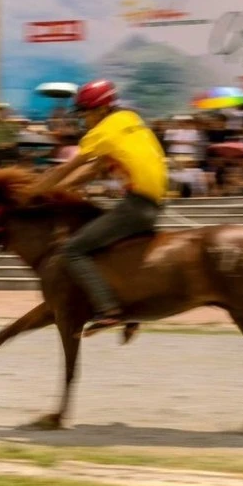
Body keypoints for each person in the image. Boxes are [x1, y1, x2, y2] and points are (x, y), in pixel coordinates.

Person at [29, 79, 167, 334]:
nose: (84, 119)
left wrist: (31, 193)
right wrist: (60, 191)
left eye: (86, 113)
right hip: (153, 204)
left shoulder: (103, 132)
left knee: (72, 250)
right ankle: (131, 310)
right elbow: (94, 169)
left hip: (137, 206)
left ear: (102, 110)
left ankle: (109, 310)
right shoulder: (127, 120)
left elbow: (67, 168)